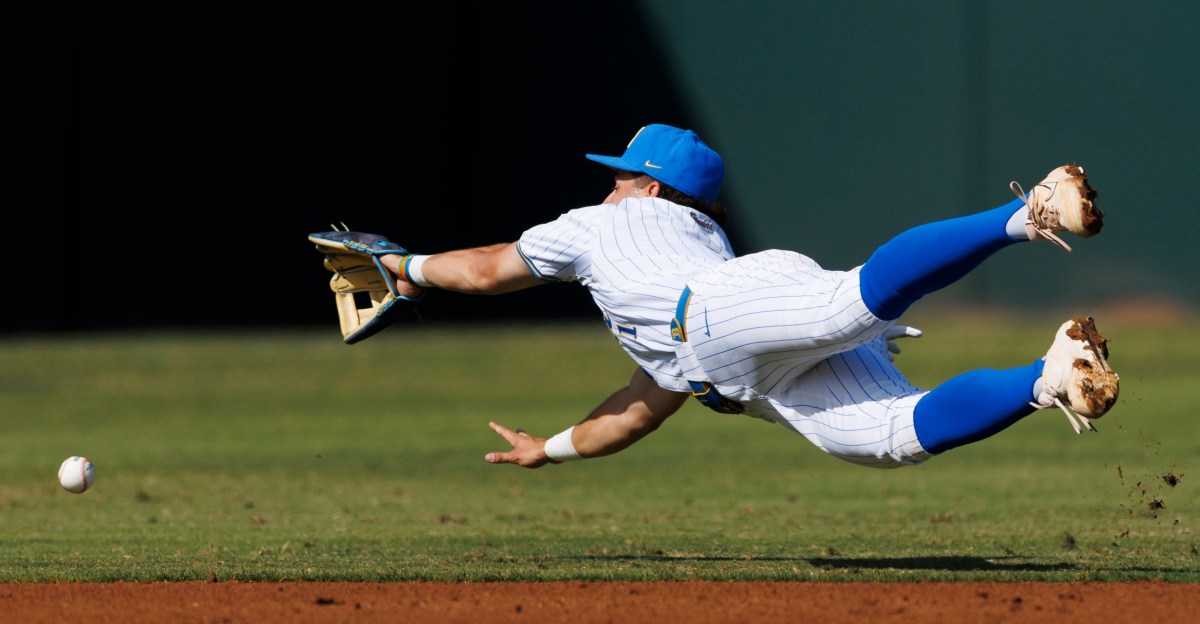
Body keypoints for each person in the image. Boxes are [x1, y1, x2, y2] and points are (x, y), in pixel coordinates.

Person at [378, 123, 1119, 470]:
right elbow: (637, 409)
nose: (608, 184)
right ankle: (1048, 377)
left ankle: (1031, 212)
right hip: (741, 361)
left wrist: (406, 268)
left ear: (652, 187)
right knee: (890, 439)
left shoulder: (599, 225)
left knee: (849, 304)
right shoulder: (681, 250)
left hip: (718, 315)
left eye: (620, 173)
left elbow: (479, 270)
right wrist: (549, 450)